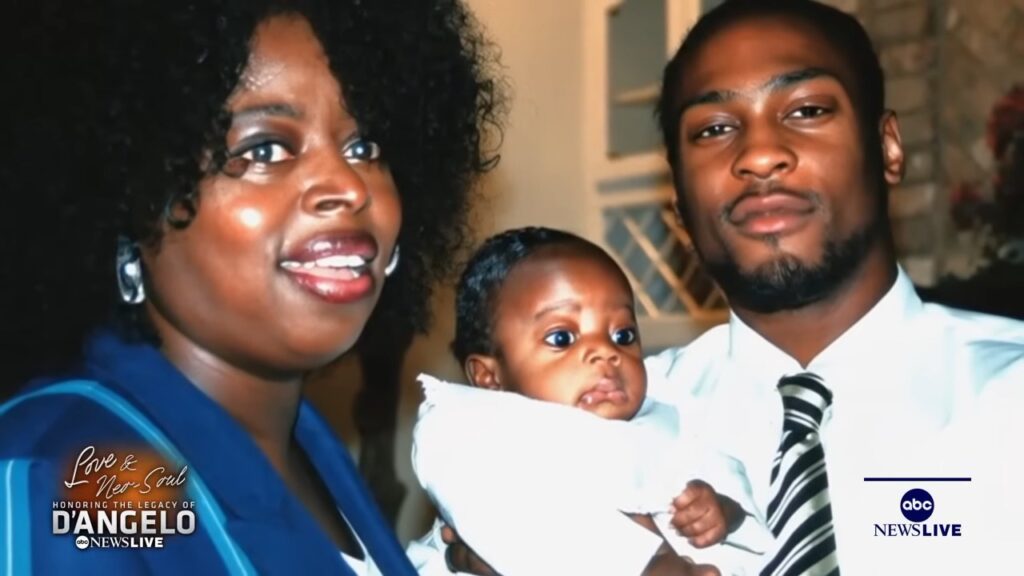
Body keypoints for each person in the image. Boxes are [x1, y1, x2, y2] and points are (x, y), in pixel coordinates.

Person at [439, 0, 1024, 574]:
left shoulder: (1009, 398)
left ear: (888, 147)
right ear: (679, 201)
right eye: (715, 128)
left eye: (807, 110)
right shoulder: (586, 414)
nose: (761, 155)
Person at [0, 1, 502, 574]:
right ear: (128, 211)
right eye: (264, 149)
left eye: (365, 148)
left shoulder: (308, 449)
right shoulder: (78, 473)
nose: (347, 185)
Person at [409, 227, 755, 575]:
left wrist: (723, 511)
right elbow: (511, 524)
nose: (606, 352)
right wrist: (646, 563)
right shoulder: (470, 429)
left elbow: (732, 485)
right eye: (562, 337)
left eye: (623, 335)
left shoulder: (665, 417)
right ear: (489, 376)